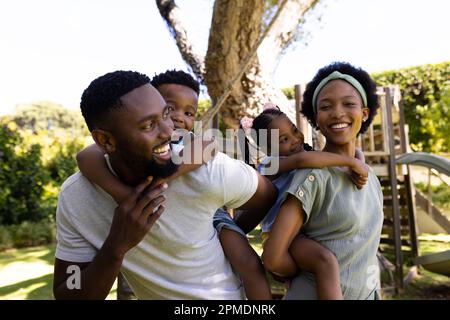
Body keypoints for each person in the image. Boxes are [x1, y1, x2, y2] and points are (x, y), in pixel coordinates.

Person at [53, 70, 277, 300]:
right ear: (106, 141)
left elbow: (267, 194)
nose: (170, 130)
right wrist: (116, 246)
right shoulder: (77, 197)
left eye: (165, 114)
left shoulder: (206, 170)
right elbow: (68, 291)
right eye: (149, 125)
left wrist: (229, 229)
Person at [262, 62, 384, 300]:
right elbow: (273, 258)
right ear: (316, 118)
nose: (338, 112)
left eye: (349, 104)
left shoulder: (371, 180)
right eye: (326, 106)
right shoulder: (312, 176)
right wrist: (304, 271)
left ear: (365, 113)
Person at [236, 104, 370, 300]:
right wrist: (351, 162)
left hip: (301, 232)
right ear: (267, 149)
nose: (295, 140)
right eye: (284, 140)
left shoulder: (307, 156)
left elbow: (329, 156)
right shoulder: (269, 164)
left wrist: (359, 158)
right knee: (325, 262)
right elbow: (302, 161)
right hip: (281, 237)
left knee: (312, 270)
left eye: (294, 131)